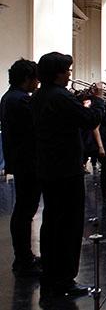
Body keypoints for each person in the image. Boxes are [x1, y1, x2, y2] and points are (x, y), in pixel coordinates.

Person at [31, 52, 105, 300]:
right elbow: (89, 119)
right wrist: (98, 100)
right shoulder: (60, 96)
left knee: (52, 223)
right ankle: (65, 279)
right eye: (67, 71)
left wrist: (80, 98)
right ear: (58, 73)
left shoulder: (42, 95)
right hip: (66, 169)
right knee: (70, 226)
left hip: (49, 168)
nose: (71, 75)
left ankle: (51, 275)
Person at [0, 59, 41, 277]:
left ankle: (23, 256)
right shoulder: (21, 100)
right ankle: (24, 258)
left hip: (19, 160)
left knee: (23, 210)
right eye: (36, 78)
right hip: (28, 161)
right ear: (27, 79)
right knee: (25, 211)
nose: (38, 83)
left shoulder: (9, 97)